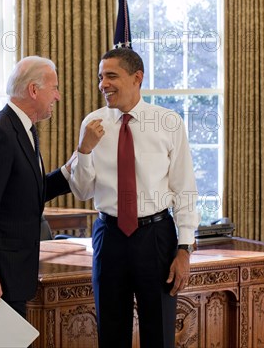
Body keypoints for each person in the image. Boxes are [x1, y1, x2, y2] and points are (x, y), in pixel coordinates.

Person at [69, 48, 200, 347]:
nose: (103, 84)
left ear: (137, 78)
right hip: (109, 236)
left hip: (156, 237)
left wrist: (184, 250)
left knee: (160, 333)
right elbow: (82, 191)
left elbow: (185, 188)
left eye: (111, 76)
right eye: (101, 77)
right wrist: (85, 150)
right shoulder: (93, 124)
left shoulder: (168, 122)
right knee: (111, 332)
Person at [0, 56, 72, 318]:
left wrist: (69, 170)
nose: (58, 96)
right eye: (54, 88)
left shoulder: (25, 129)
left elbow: (28, 193)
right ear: (34, 90)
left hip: (14, 273)